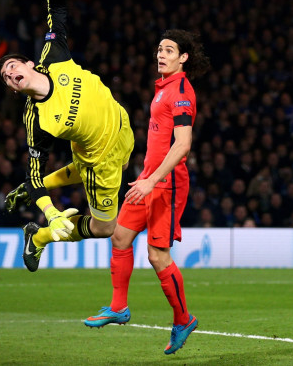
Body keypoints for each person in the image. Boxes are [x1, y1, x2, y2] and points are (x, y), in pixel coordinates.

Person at [0, 0, 134, 272]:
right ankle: (40, 238)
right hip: (100, 162)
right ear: (13, 89)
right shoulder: (38, 120)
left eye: (13, 66)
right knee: (105, 229)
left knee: (125, 161)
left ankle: (36, 197)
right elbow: (33, 170)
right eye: (6, 76)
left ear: (29, 64)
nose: (12, 73)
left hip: (122, 123)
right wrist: (51, 213)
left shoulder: (53, 56)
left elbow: (56, 14)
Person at [83, 29, 209, 356]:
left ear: (184, 58)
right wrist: (145, 176)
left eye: (169, 50)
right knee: (120, 237)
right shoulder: (162, 89)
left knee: (157, 256)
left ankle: (183, 319)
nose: (161, 54)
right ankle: (118, 307)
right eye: (159, 50)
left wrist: (151, 181)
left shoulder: (181, 91)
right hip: (148, 179)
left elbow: (183, 145)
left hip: (166, 184)